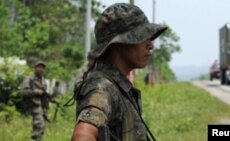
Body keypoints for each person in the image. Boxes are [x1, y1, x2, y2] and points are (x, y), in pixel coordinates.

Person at [71, 3, 167, 141]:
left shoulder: (117, 85)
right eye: (141, 37)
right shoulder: (102, 88)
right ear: (119, 45)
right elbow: (83, 136)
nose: (150, 45)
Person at [21, 60, 49, 141]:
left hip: (42, 106)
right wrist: (36, 92)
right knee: (39, 125)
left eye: (42, 68)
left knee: (41, 127)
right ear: (35, 68)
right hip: (33, 106)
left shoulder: (43, 80)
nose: (41, 69)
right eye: (39, 67)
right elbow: (24, 92)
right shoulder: (29, 79)